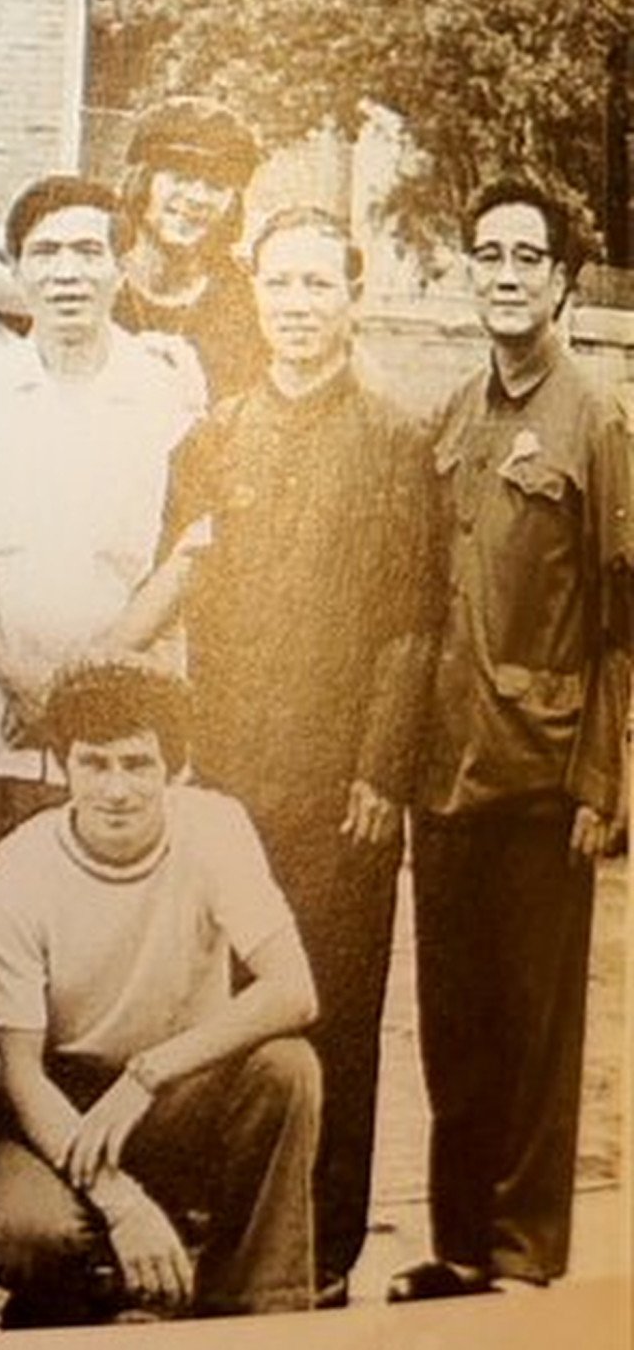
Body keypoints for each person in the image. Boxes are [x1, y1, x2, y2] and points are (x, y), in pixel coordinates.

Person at [144, 205, 434, 1301]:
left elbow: (413, 620)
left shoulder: (398, 443)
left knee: (335, 1010)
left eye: (320, 284)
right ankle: (215, 1227)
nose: (299, 306)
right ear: (253, 294)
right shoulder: (214, 438)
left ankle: (322, 1247)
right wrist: (186, 762)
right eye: (281, 284)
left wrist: (381, 765)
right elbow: (179, 601)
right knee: (216, 1008)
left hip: (342, 787)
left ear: (353, 298)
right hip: (224, 779)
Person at [394, 176, 629, 1302]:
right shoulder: (449, 417)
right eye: (484, 253)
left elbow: (620, 617)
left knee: (535, 1028)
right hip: (447, 770)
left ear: (561, 280)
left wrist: (599, 778)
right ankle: (454, 1246)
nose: (502, 272)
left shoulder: (598, 420)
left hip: (542, 773)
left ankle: (525, 1259)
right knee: (454, 1022)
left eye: (524, 256)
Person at [0, 658, 320, 1324]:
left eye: (138, 763)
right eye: (95, 764)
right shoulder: (15, 870)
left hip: (176, 1082)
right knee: (26, 1234)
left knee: (286, 1068)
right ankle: (101, 1299)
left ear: (173, 770)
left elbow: (294, 991)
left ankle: (259, 1314)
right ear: (64, 766)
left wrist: (149, 1075)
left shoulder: (214, 826)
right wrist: (120, 1201)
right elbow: (19, 1072)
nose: (117, 790)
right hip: (56, 1100)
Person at [0, 173, 206, 866]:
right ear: (17, 271)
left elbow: (190, 551)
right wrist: (14, 677)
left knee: (108, 933)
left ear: (121, 267)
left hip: (123, 720)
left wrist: (87, 679)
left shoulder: (167, 389)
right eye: (45, 253)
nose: (68, 273)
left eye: (88, 251)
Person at [111, 95, 264, 405]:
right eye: (181, 177)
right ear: (142, 182)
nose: (197, 197)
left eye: (216, 186)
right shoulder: (92, 276)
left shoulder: (247, 301)